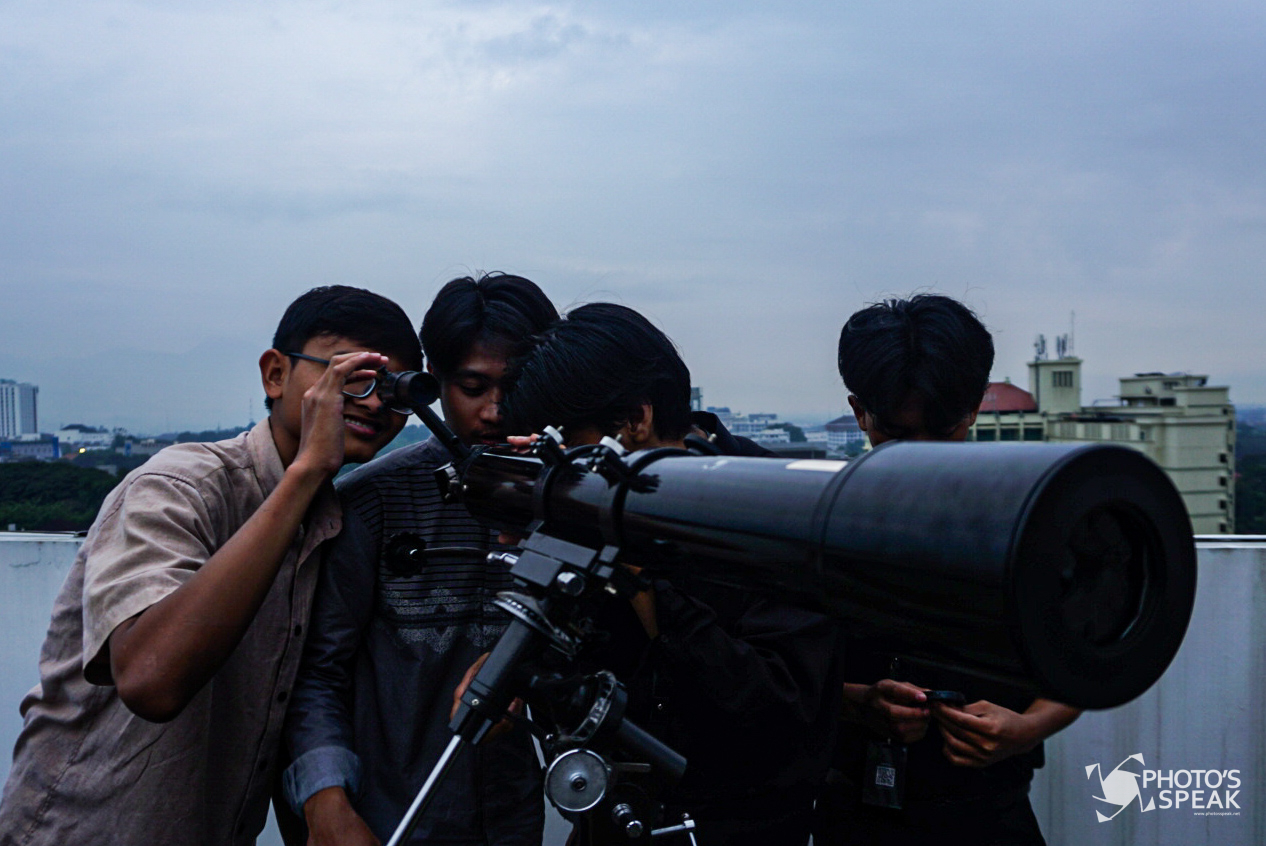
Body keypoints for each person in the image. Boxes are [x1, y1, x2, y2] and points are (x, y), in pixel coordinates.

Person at [0, 286, 421, 846]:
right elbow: (151, 680)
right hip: (82, 828)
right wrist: (308, 471)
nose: (374, 403)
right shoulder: (179, 486)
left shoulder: (333, 520)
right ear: (275, 375)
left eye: (395, 389)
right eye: (351, 377)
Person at [499, 302, 845, 846]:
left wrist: (641, 582)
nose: (560, 470)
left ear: (636, 420)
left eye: (567, 447)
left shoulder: (779, 510)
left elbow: (779, 708)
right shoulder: (575, 509)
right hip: (612, 821)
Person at [280, 273, 558, 846]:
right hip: (386, 819)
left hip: (512, 821)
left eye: (515, 386)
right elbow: (318, 671)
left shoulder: (568, 502)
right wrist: (325, 798)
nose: (495, 411)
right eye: (473, 387)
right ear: (434, 381)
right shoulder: (372, 502)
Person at [813, 294, 1082, 846]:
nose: (922, 456)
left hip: (991, 816)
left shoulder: (1030, 518)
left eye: (942, 431)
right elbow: (768, 670)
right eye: (897, 436)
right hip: (852, 815)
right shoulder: (813, 521)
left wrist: (1027, 728)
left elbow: (1081, 657)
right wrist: (857, 702)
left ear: (974, 408)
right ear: (859, 412)